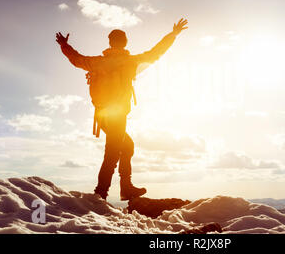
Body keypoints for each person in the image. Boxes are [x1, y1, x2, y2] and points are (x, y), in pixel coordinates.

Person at [56, 18, 188, 200]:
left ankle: (123, 188)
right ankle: (102, 193)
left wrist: (64, 44)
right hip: (117, 115)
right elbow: (156, 53)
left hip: (101, 115)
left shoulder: (97, 62)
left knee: (125, 147)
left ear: (110, 43)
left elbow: (76, 59)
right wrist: (173, 34)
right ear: (125, 43)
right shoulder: (131, 62)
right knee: (113, 151)